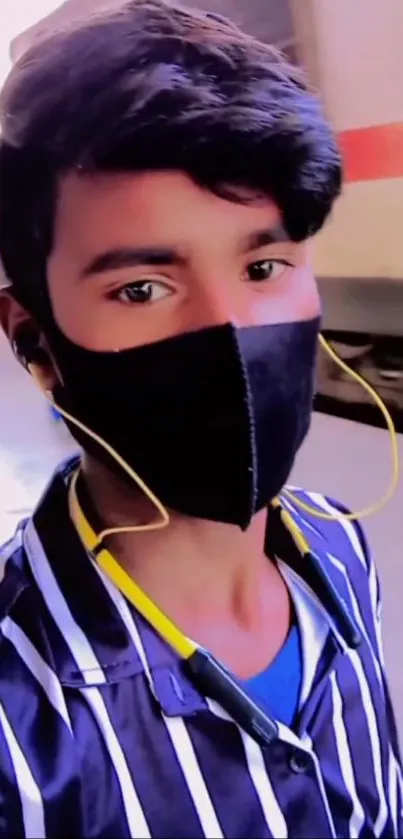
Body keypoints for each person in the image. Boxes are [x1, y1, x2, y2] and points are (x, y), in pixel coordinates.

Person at [0, 1, 401, 836]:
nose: (231, 330)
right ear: (37, 342)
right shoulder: (16, 722)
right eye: (141, 288)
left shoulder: (336, 545)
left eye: (263, 264)